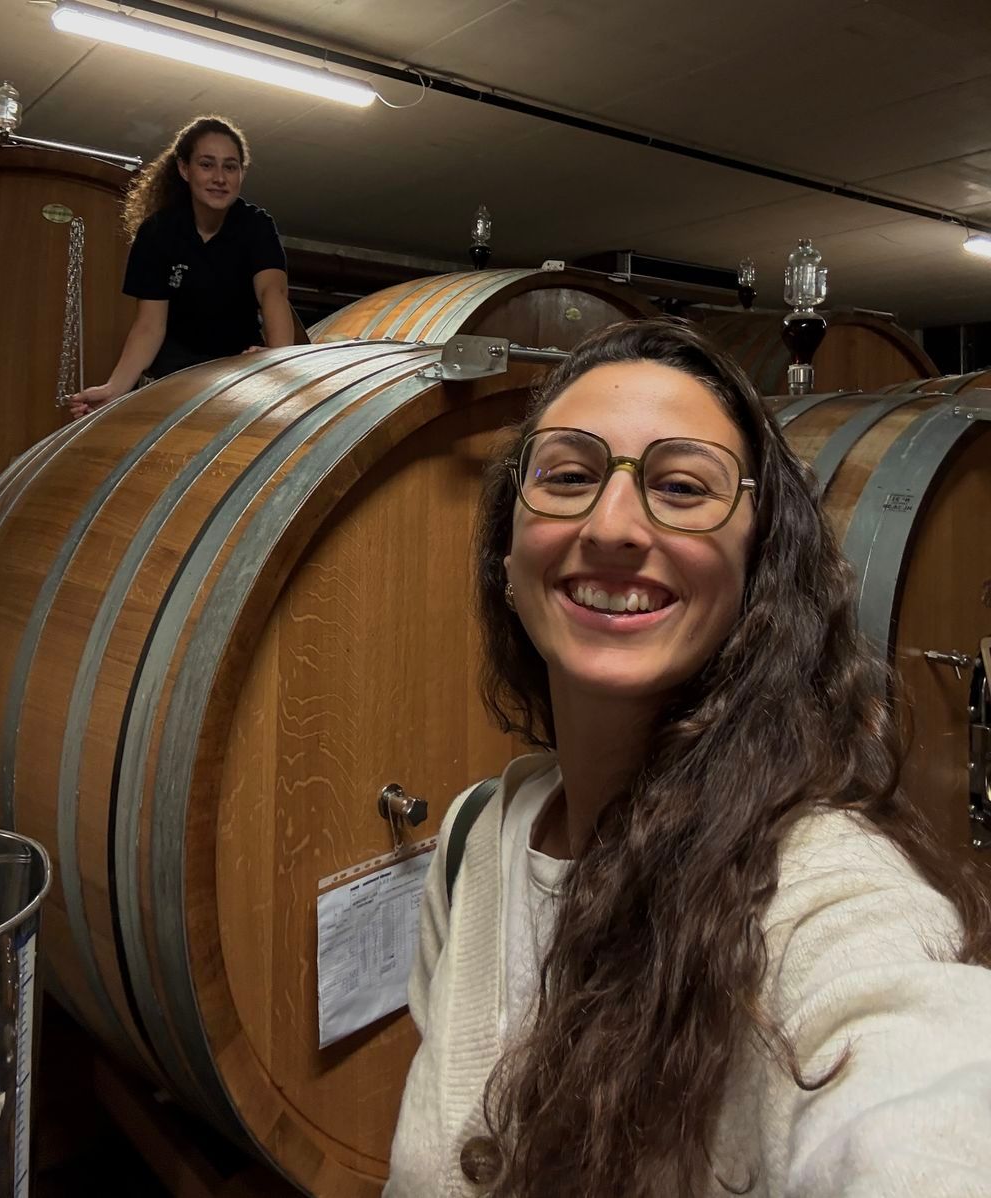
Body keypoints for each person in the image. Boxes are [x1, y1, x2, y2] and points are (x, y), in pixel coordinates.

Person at [386, 318, 991, 1197]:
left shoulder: (816, 886)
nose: (615, 525)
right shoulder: (478, 834)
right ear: (506, 560)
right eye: (567, 475)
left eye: (681, 486)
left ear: (757, 569)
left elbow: (932, 1093)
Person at [69, 115, 294, 417]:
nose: (219, 177)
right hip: (174, 377)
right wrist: (115, 387)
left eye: (230, 166)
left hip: (237, 374)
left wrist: (279, 359)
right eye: (206, 164)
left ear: (242, 172)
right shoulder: (158, 232)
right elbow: (150, 325)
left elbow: (273, 293)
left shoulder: (256, 226)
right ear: (184, 169)